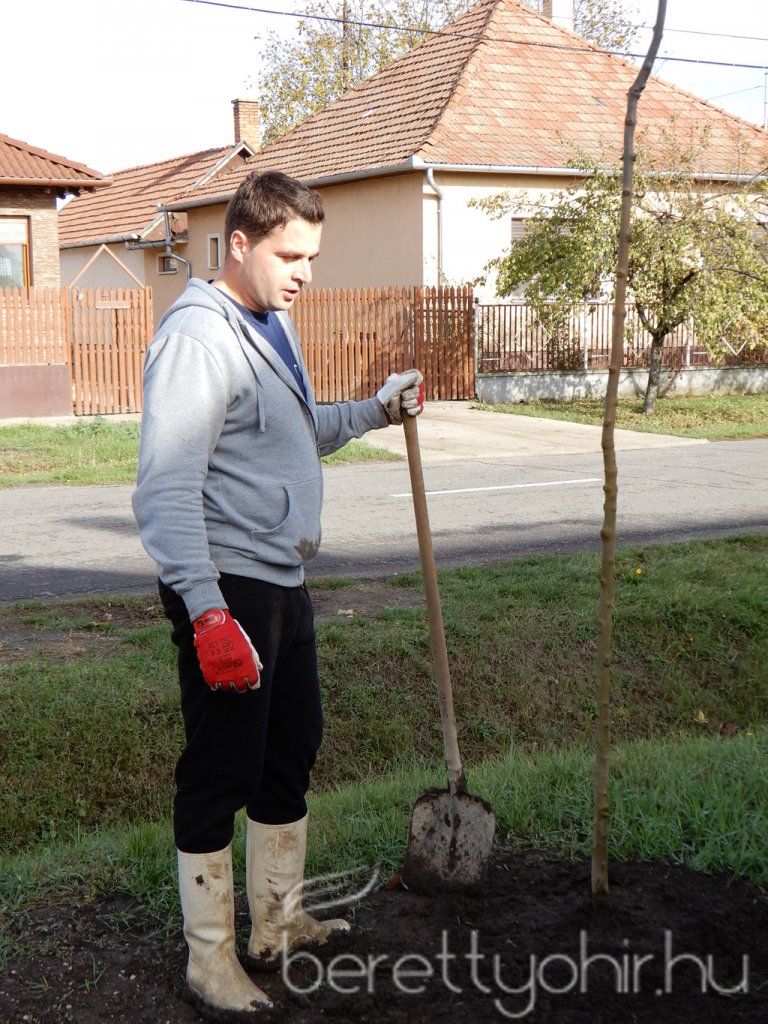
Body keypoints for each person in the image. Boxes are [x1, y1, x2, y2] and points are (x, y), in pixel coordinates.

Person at [132, 169, 424, 1021]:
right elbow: (165, 488)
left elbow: (298, 433)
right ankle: (210, 961)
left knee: (291, 749)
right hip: (229, 589)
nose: (305, 273)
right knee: (221, 769)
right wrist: (206, 610)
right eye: (290, 255)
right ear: (241, 244)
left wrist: (374, 410)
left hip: (282, 581)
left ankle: (278, 923)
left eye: (312, 256)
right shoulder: (199, 337)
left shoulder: (271, 324)